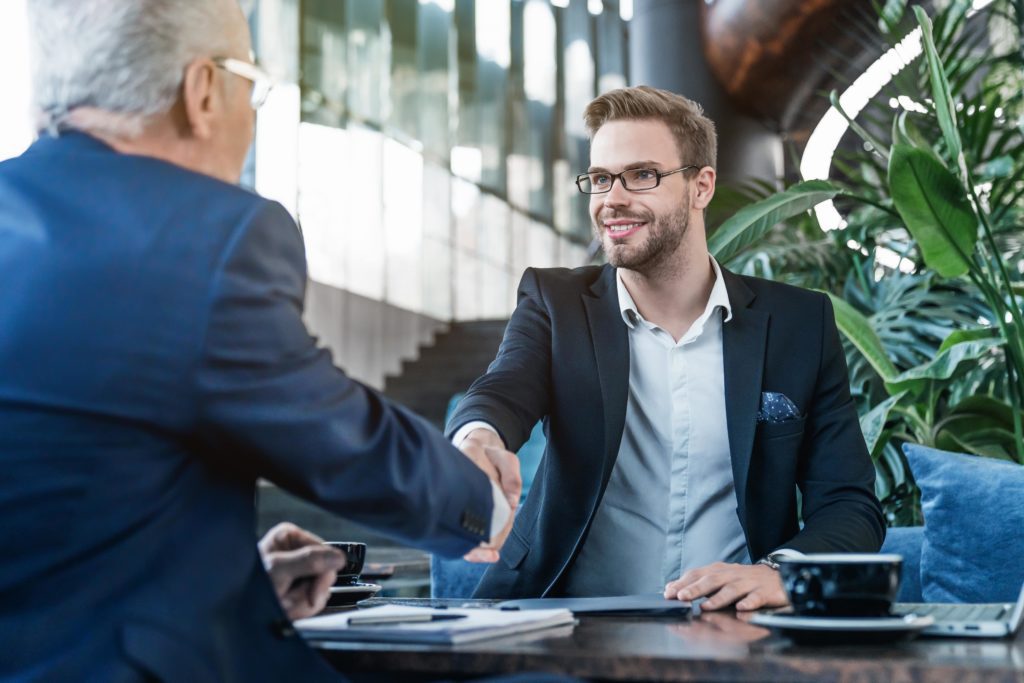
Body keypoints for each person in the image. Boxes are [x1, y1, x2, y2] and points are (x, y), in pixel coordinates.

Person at [0, 0, 521, 680]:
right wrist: (487, 505)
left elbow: (73, 496)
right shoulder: (207, 237)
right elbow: (345, 443)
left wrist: (235, 583)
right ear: (204, 91)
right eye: (253, 81)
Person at [447, 85, 885, 609]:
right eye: (602, 178)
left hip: (736, 630)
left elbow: (849, 504)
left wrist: (778, 573)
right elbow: (502, 390)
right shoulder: (555, 303)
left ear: (702, 187)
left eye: (642, 175)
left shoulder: (798, 324)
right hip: (565, 622)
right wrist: (476, 438)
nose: (612, 199)